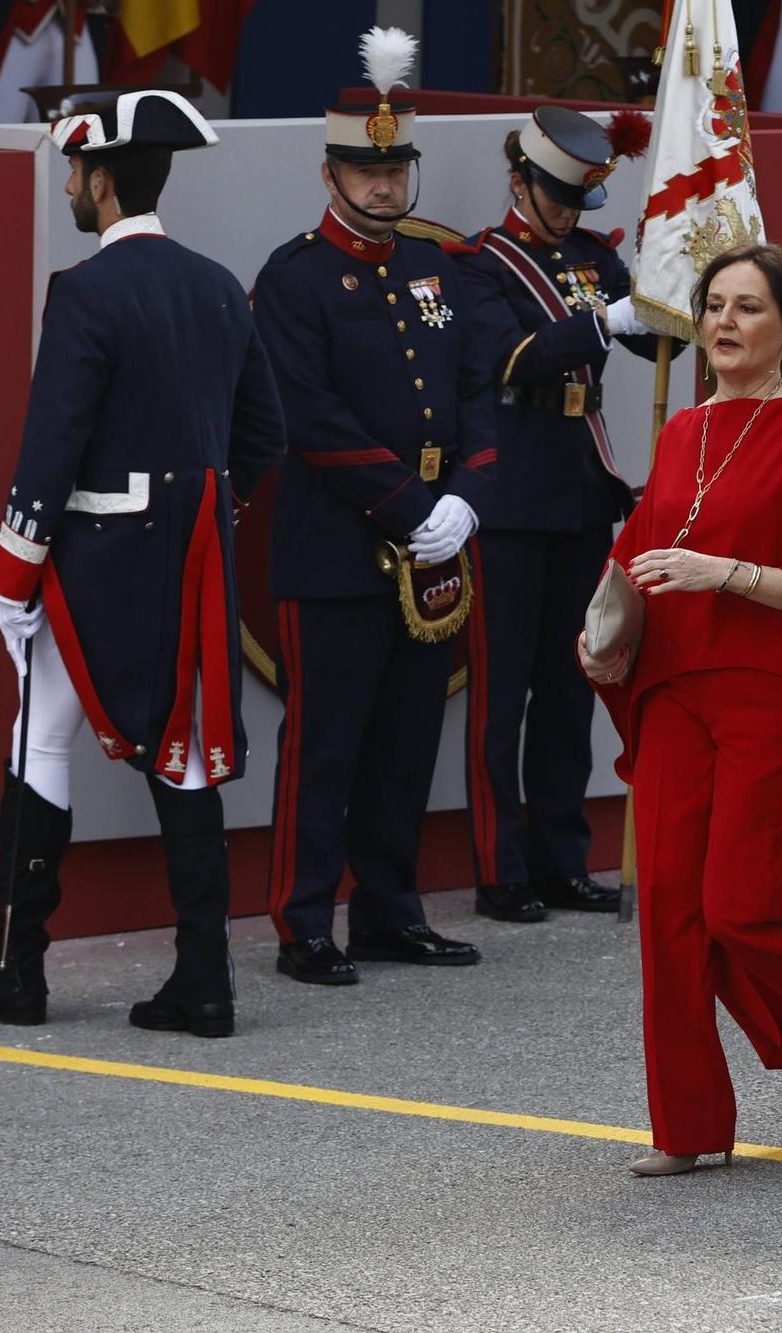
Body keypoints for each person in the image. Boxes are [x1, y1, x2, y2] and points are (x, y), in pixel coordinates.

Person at [0, 90, 286, 1039]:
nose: (70, 187)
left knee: (39, 736)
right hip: (191, 563)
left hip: (90, 565)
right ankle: (204, 976)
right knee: (182, 754)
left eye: (75, 174)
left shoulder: (86, 291)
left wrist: (12, 575)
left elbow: (51, 448)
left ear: (99, 178)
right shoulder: (218, 284)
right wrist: (205, 508)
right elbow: (265, 432)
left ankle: (16, 965)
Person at [577, 245, 782, 1176]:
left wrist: (728, 575)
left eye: (748, 308)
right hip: (676, 690)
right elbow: (641, 554)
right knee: (671, 915)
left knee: (744, 907)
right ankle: (687, 1127)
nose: (724, 323)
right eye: (714, 305)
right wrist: (603, 631)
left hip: (769, 695)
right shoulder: (682, 433)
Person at [252, 26, 486, 985]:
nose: (384, 185)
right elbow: (306, 415)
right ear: (330, 171)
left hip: (436, 541)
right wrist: (406, 504)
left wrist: (467, 494)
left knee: (405, 739)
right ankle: (304, 919)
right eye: (364, 168)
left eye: (396, 168)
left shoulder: (437, 272)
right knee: (326, 742)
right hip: (340, 546)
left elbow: (477, 391)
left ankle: (389, 912)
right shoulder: (295, 276)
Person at [452, 107, 673, 925]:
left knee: (572, 684)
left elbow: (656, 340)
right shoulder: (482, 265)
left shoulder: (591, 259)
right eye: (556, 196)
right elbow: (508, 357)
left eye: (579, 199)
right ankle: (499, 867)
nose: (570, 212)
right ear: (521, 184)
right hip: (512, 497)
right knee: (503, 694)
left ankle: (559, 856)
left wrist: (667, 282)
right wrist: (605, 320)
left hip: (582, 489)